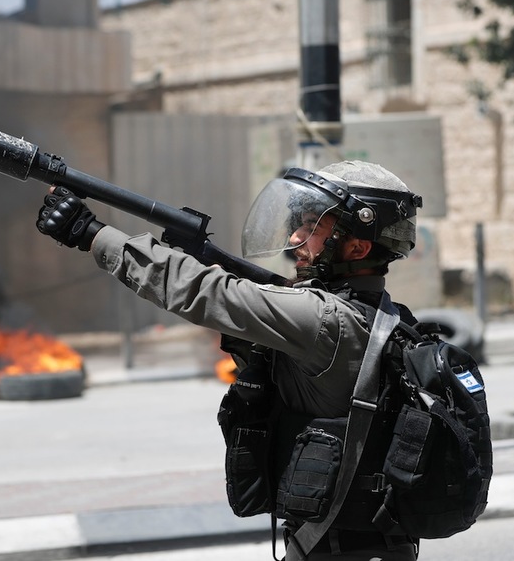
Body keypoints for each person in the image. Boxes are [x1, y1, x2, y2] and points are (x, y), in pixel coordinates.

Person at [36, 160, 423, 560]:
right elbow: (256, 291)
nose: (295, 236)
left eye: (312, 227)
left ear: (356, 247)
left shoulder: (324, 319)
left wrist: (93, 235)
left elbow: (208, 293)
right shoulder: (384, 314)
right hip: (367, 543)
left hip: (338, 548)